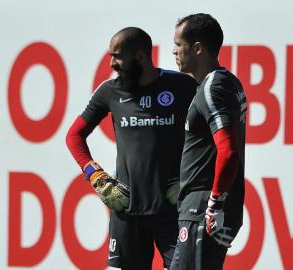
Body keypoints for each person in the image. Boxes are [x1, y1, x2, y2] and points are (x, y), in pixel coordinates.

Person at [66, 27, 197, 270]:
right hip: (127, 210)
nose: (113, 63)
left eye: (118, 56)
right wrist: (95, 175)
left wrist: (188, 178)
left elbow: (209, 139)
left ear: (140, 56)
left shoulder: (182, 86)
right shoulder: (110, 91)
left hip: (173, 209)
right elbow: (74, 136)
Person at [170, 13, 247, 270]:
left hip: (201, 211)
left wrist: (215, 204)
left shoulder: (213, 87)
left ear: (198, 48)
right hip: (200, 210)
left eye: (179, 45)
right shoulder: (223, 83)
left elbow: (228, 151)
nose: (174, 51)